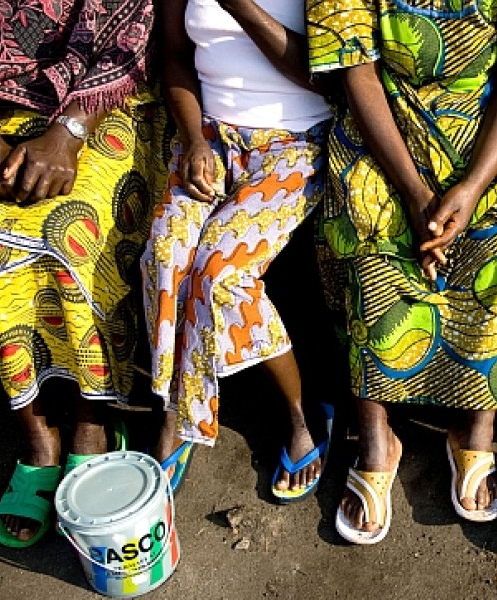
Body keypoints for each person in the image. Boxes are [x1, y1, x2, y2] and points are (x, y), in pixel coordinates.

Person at [306, 0, 497, 543]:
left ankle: (476, 427)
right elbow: (360, 78)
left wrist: (471, 189)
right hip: (385, 136)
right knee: (364, 229)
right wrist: (416, 194)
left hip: (486, 136)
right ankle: (377, 437)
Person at [0, 0, 165, 547]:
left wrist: (67, 136)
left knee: (76, 228)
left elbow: (136, 29)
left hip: (113, 103)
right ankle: (39, 434)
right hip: (7, 104)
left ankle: (92, 419)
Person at [142, 0, 333, 501]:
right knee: (165, 254)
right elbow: (176, 57)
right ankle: (178, 413)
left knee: (220, 273)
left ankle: (300, 413)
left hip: (294, 142)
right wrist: (193, 138)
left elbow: (322, 71)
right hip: (209, 138)